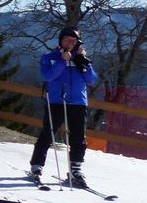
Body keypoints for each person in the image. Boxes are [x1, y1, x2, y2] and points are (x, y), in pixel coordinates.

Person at [29, 27, 98, 188]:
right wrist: (62, 60)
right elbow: (48, 76)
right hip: (56, 101)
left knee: (79, 138)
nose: (70, 43)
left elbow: (91, 80)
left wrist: (83, 60)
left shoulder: (81, 59)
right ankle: (36, 167)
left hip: (78, 103)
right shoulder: (50, 57)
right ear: (60, 40)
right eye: (67, 39)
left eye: (74, 41)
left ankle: (75, 170)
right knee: (48, 134)